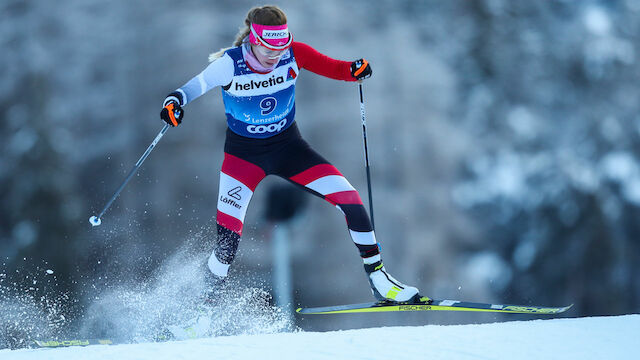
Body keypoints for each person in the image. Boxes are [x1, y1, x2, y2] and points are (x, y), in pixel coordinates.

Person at [160, 5, 422, 303]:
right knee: (227, 242)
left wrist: (354, 69)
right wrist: (174, 102)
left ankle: (379, 279)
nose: (276, 55)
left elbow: (335, 68)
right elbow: (193, 88)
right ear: (254, 40)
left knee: (350, 199)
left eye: (281, 47)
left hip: (290, 149)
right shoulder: (230, 64)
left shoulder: (293, 53)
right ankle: (203, 309)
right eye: (270, 49)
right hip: (243, 159)